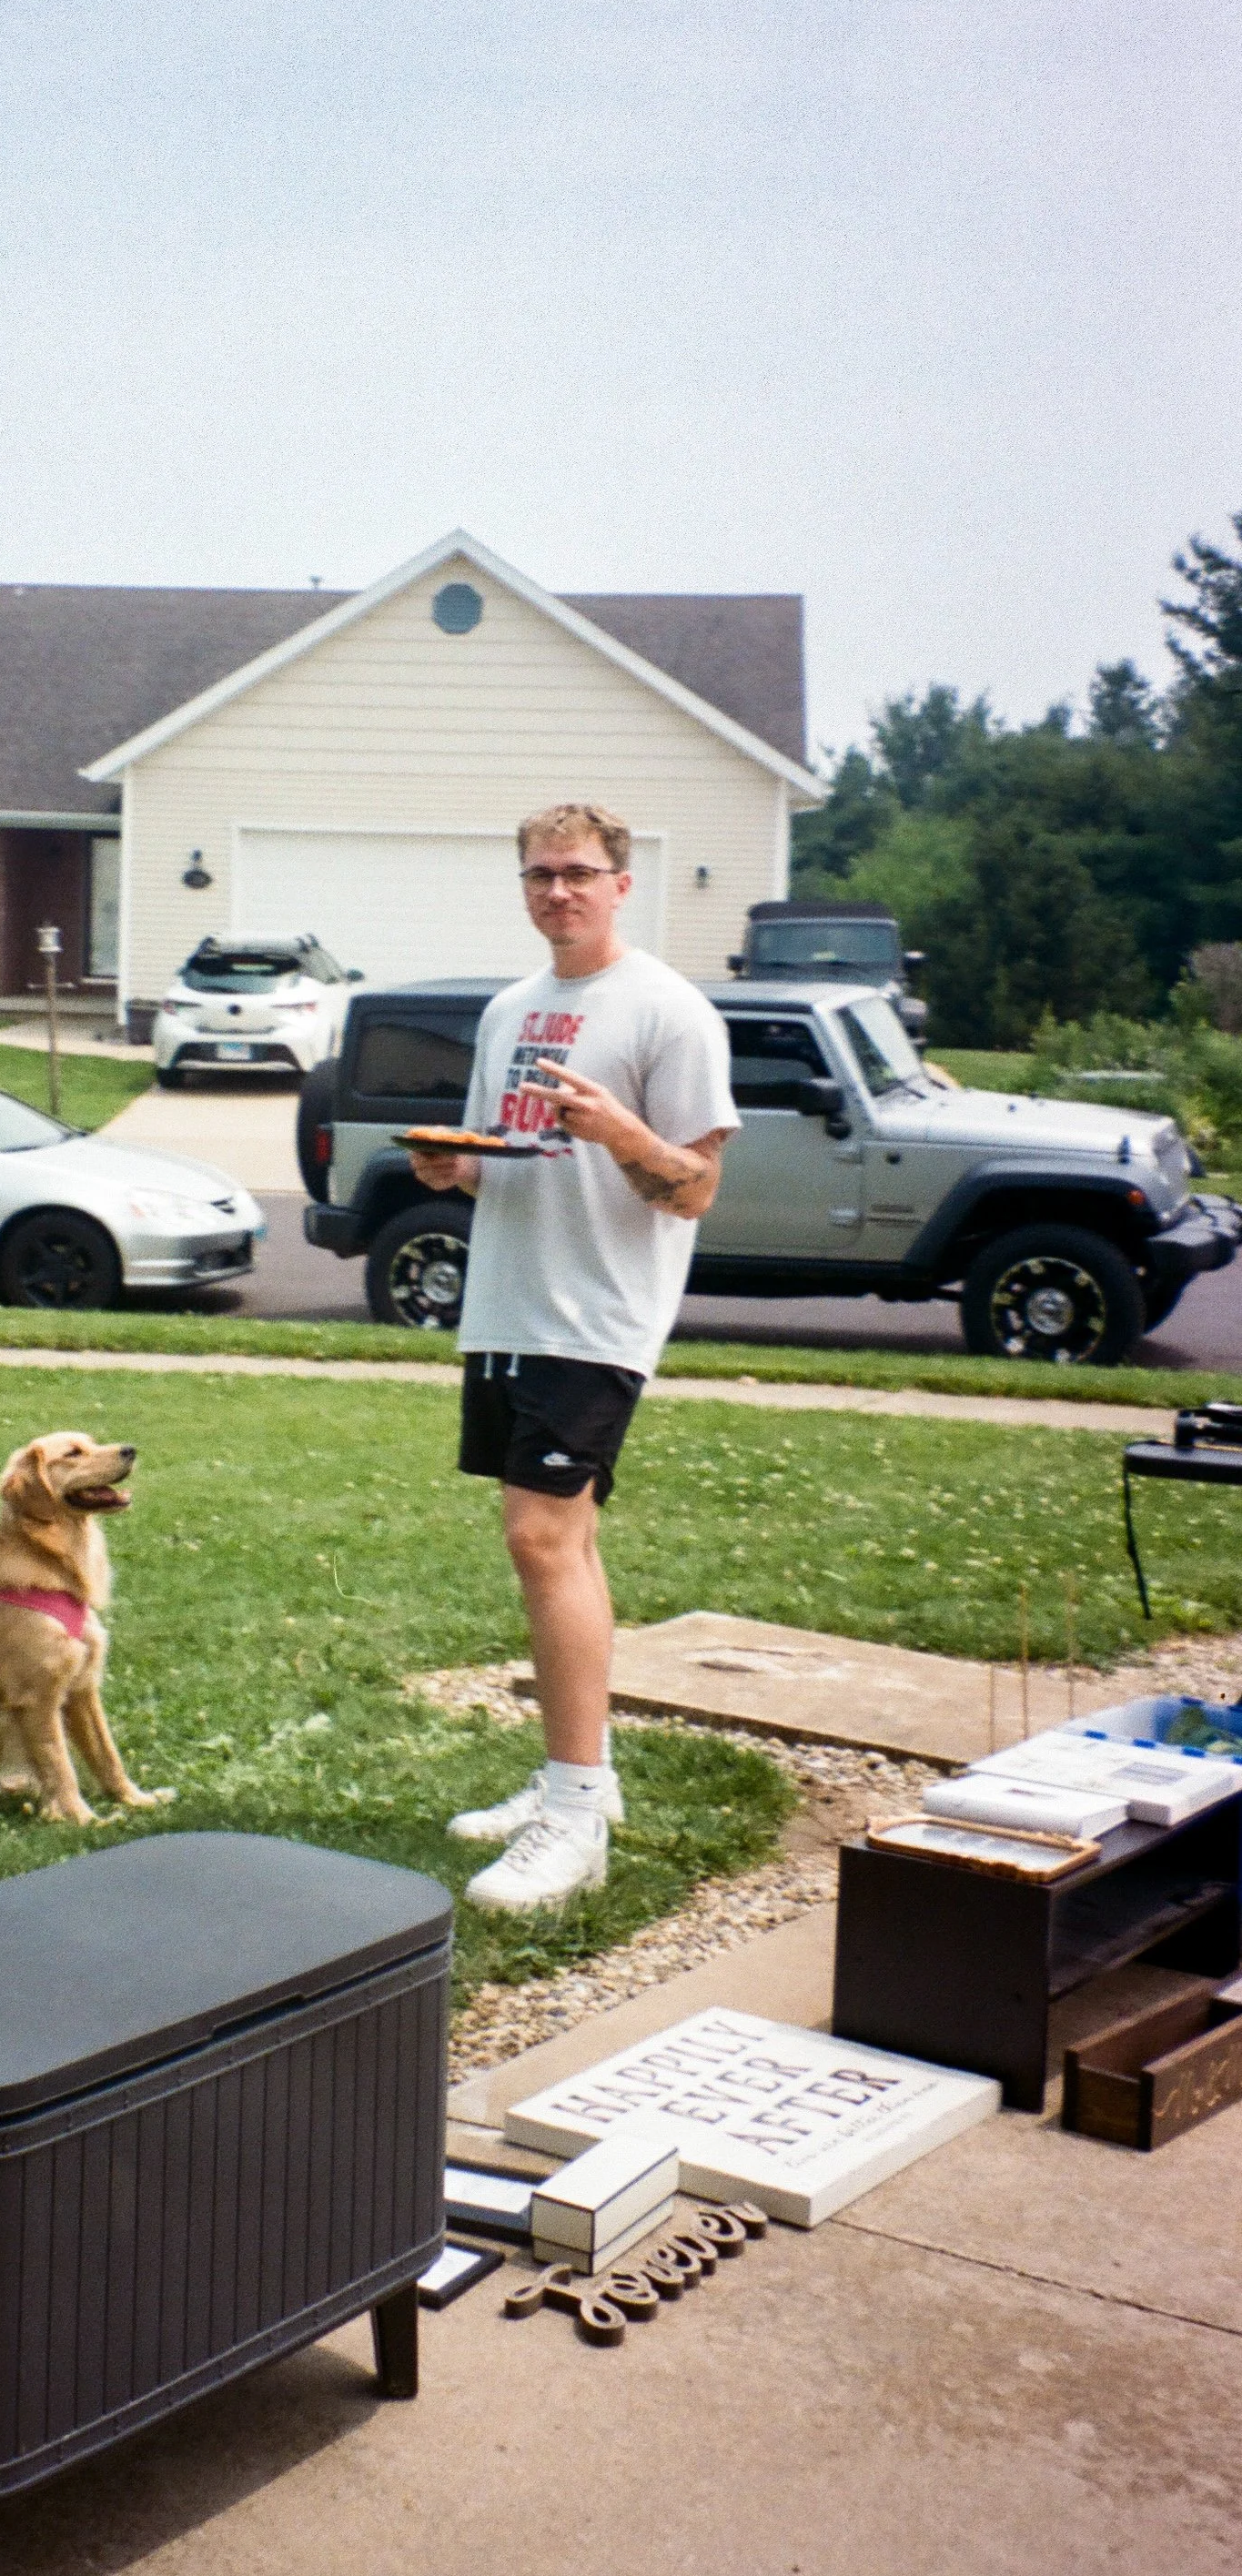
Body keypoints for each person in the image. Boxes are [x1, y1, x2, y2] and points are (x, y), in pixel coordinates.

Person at [408, 801, 739, 1914]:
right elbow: (502, 1156)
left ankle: (572, 1817)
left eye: (580, 873)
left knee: (538, 1535)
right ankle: (578, 1784)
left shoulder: (667, 1012)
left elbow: (690, 1188)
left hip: (597, 1315)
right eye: (540, 873)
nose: (559, 890)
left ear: (620, 884)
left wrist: (621, 1134)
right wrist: (451, 1168)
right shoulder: (511, 1009)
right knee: (565, 1543)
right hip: (507, 1306)